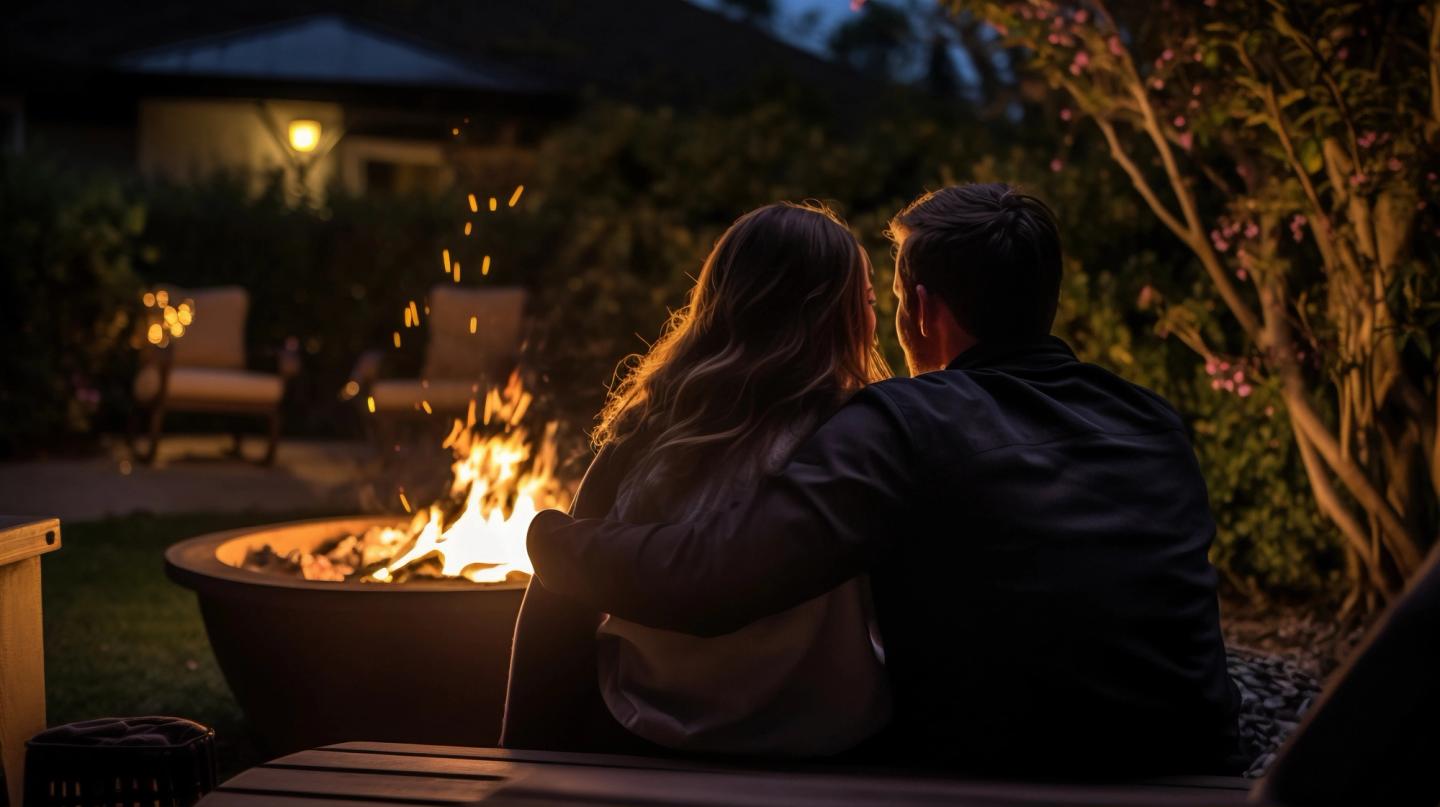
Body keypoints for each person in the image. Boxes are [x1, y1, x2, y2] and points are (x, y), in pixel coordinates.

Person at [526, 183, 1243, 777]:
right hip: (1199, 766)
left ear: (922, 310)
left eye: (891, 299)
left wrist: (552, 539)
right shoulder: (1154, 421)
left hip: (1007, 774)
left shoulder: (909, 421)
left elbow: (714, 577)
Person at [503, 202, 893, 757]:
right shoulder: (862, 434)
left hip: (645, 724)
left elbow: (560, 595)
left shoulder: (650, 428)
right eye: (869, 304)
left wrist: (515, 758)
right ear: (836, 316)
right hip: (825, 735)